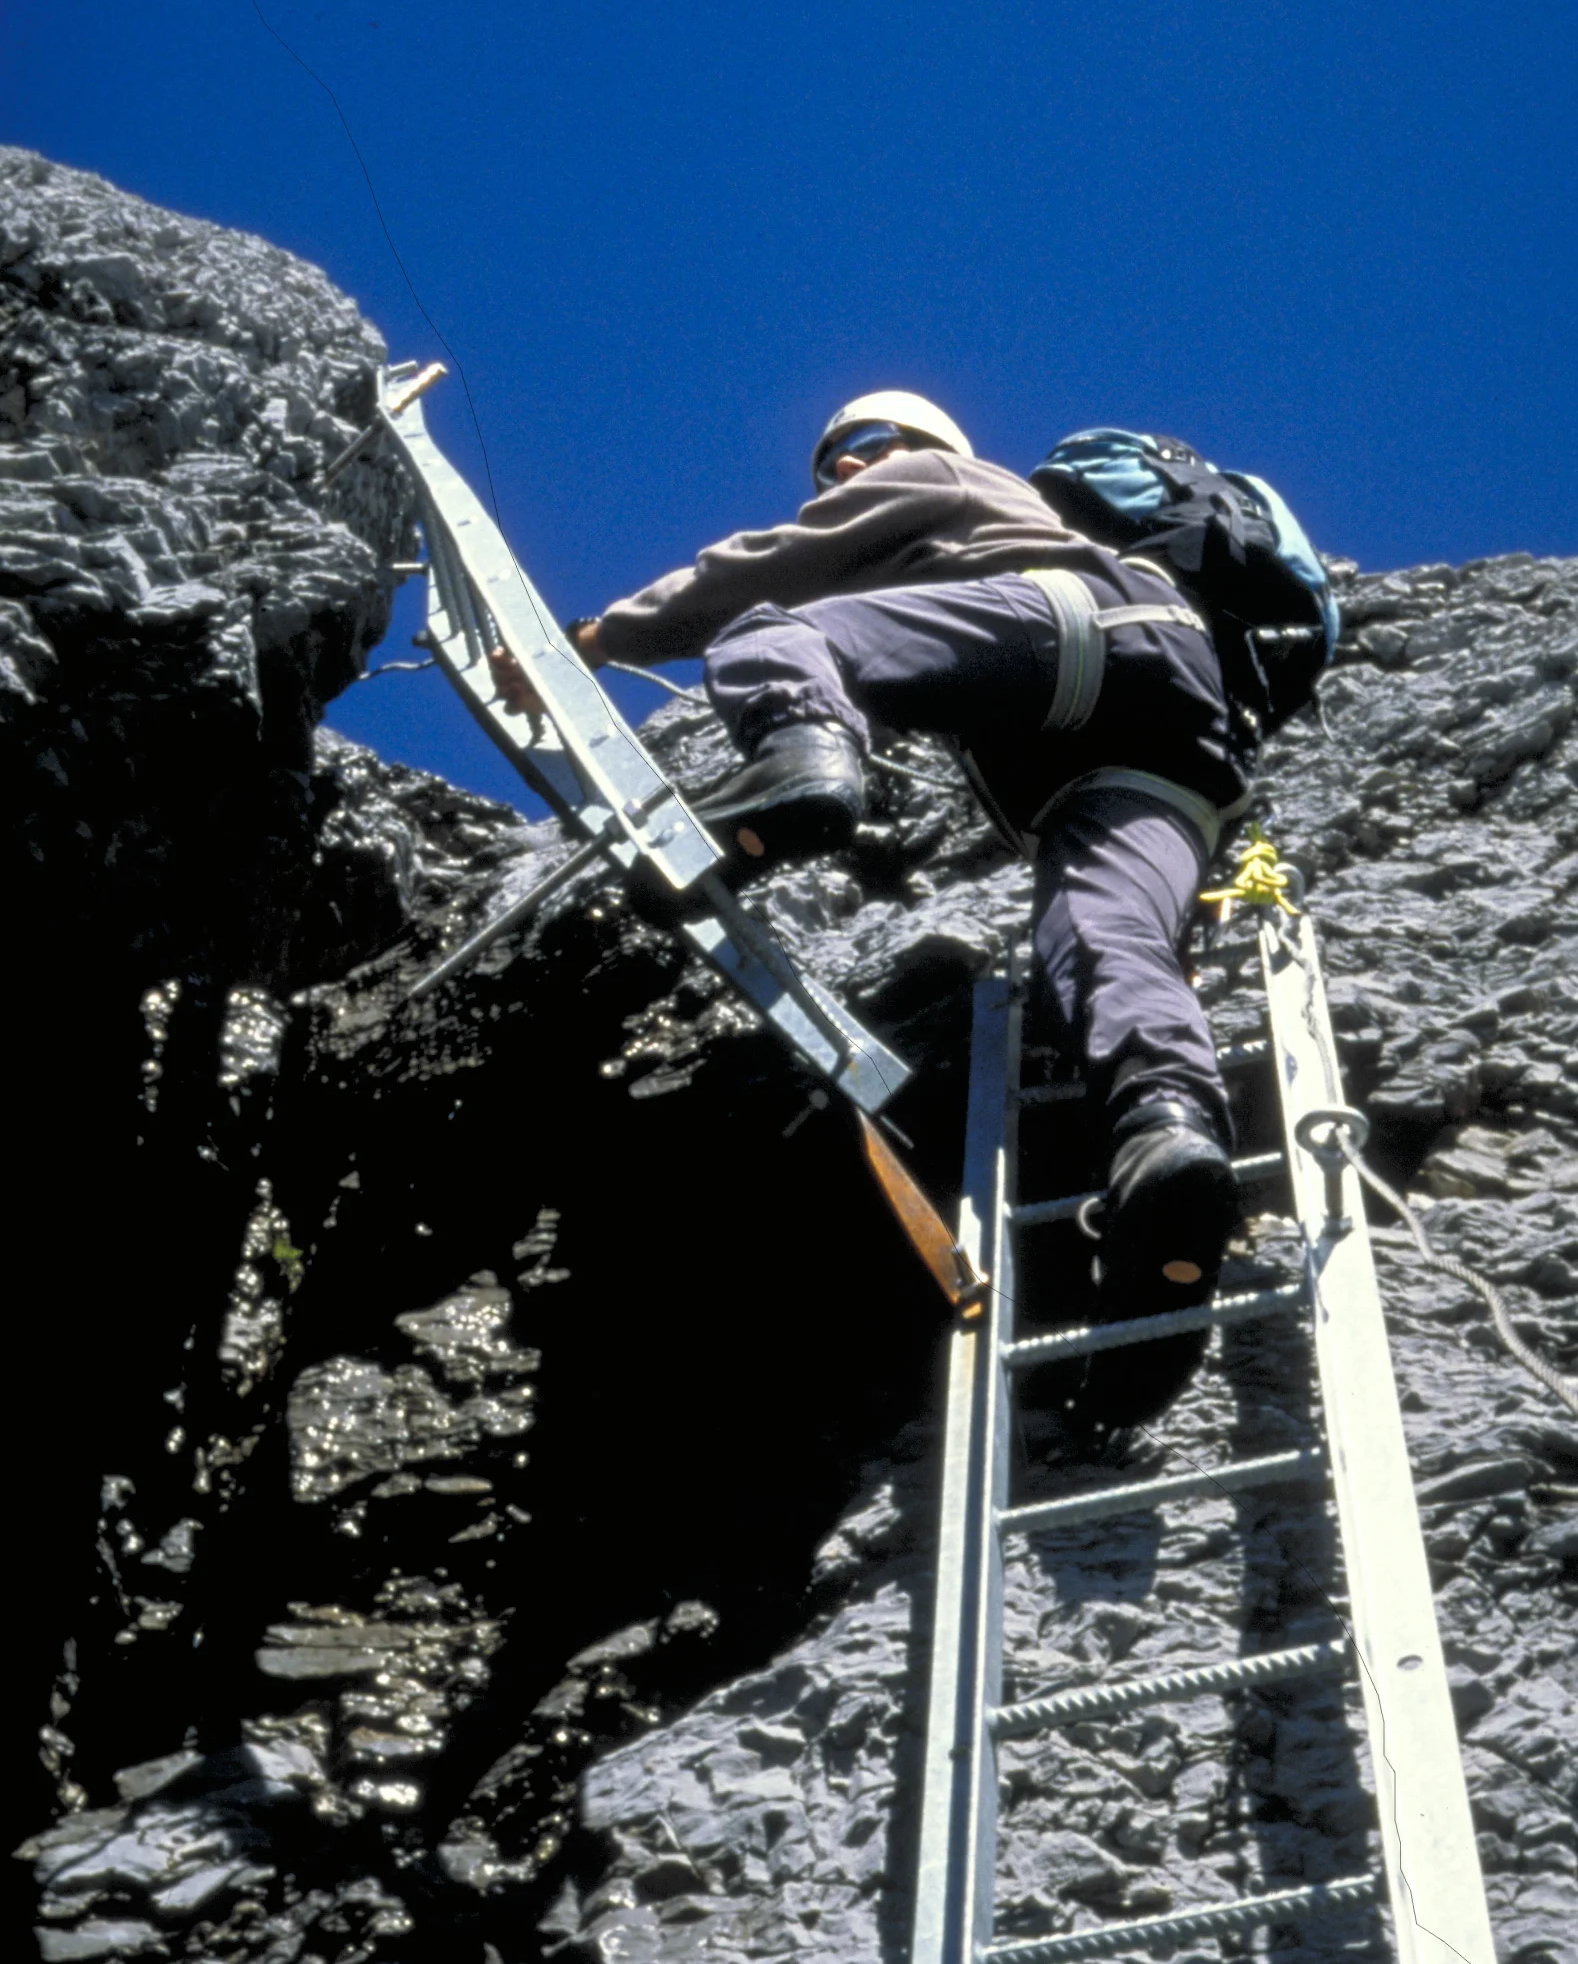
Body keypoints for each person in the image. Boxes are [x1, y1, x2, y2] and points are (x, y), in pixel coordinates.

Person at [496, 392, 1264, 1405]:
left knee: (773, 636)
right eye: (831, 464)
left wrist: (598, 640)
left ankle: (801, 764)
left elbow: (757, 571)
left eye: (855, 449)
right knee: (1102, 938)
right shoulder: (1006, 529)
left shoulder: (940, 478)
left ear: (920, 445)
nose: (841, 474)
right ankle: (1165, 1144)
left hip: (1073, 645)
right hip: (1168, 734)